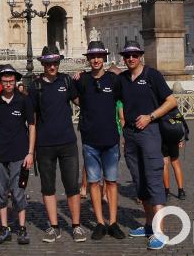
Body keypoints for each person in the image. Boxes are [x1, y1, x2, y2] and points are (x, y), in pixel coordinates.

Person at [114, 40, 178, 250]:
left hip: (149, 132)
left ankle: (160, 231)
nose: (130, 58)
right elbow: (107, 89)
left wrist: (150, 116)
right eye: (127, 55)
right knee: (138, 178)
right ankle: (149, 224)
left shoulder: (152, 76)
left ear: (140, 55)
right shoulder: (123, 79)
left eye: (134, 55)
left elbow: (171, 101)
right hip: (131, 134)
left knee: (153, 177)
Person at [30, 46, 86, 242]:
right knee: (48, 187)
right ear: (43, 64)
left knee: (72, 186)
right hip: (44, 145)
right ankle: (54, 226)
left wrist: (84, 78)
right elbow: (32, 119)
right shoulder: (35, 86)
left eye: (55, 62)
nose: (52, 66)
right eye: (48, 63)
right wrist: (31, 149)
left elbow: (82, 101)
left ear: (58, 63)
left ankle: (76, 226)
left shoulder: (67, 81)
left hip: (68, 142)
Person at [75, 41, 126, 240]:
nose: (96, 60)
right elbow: (73, 96)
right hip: (90, 140)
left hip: (111, 139)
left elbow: (124, 100)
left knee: (111, 182)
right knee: (94, 183)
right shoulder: (81, 80)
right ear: (88, 59)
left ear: (104, 58)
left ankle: (113, 222)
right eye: (92, 56)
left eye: (99, 56)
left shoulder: (114, 80)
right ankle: (99, 222)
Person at [0, 65, 35, 245]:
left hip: (20, 154)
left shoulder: (24, 100)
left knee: (19, 191)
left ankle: (21, 228)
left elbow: (32, 126)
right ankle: (5, 227)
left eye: (11, 80)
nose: (8, 83)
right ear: (0, 82)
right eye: (5, 81)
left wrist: (30, 152)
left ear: (15, 81)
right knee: (0, 192)